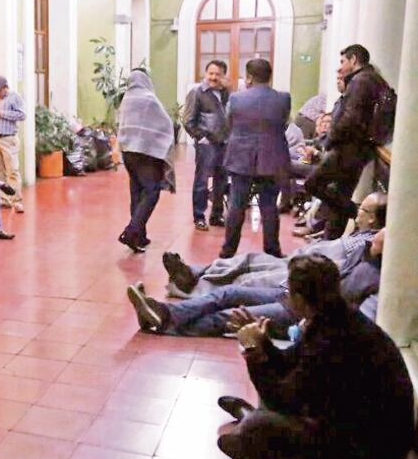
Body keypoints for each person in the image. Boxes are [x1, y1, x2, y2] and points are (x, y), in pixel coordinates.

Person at [216, 255, 413, 459]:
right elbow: (290, 362)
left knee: (258, 427)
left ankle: (250, 430)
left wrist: (253, 352)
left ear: (300, 298)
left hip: (370, 457)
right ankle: (250, 420)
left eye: (289, 292)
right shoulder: (331, 316)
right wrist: (263, 343)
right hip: (346, 422)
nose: (286, 297)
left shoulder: (333, 338)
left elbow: (283, 400)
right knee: (274, 386)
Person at [126, 228, 386, 338]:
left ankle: (164, 322)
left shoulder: (377, 281)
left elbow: (359, 322)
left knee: (228, 316)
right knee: (229, 292)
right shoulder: (361, 252)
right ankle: (166, 312)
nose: (378, 234)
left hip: (302, 312)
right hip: (291, 292)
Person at [163, 191, 387, 297]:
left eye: (363, 210)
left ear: (373, 219)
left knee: (251, 279)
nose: (357, 212)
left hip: (306, 270)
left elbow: (336, 264)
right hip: (300, 258)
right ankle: (193, 272)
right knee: (250, 259)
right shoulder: (361, 233)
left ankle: (194, 288)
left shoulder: (368, 245)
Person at [305, 44, 394, 239]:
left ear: (354, 60)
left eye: (343, 61)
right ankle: (331, 242)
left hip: (348, 149)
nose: (340, 68)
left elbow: (350, 118)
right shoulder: (374, 80)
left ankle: (355, 212)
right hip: (360, 149)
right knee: (341, 194)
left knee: (313, 184)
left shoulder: (360, 81)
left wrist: (330, 140)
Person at [220, 59, 291, 258]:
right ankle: (272, 250)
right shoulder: (284, 98)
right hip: (272, 158)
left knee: (236, 206)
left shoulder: (235, 99)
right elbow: (283, 124)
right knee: (269, 206)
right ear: (270, 77)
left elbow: (229, 125)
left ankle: (228, 251)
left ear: (249, 77)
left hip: (241, 158)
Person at [115, 69, 175, 253]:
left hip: (128, 152)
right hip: (146, 154)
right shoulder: (149, 98)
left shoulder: (127, 98)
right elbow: (165, 123)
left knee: (136, 191)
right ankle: (132, 232)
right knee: (152, 191)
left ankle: (140, 235)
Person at [183, 59, 230, 231]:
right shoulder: (197, 93)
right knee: (202, 181)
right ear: (205, 74)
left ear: (224, 75)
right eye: (211, 73)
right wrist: (200, 137)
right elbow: (188, 120)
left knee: (221, 181)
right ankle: (199, 216)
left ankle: (216, 215)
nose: (214, 77)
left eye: (218, 74)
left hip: (225, 144)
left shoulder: (227, 94)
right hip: (207, 145)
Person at [0, 76, 27, 212]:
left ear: (5, 87)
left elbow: (21, 115)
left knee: (12, 171)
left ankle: (17, 201)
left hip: (8, 138)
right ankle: (4, 200)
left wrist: (1, 113)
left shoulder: (15, 97)